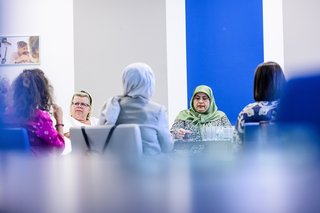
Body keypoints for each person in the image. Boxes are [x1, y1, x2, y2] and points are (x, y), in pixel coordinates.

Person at [99, 62, 173, 155]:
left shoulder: (110, 105)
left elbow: (99, 140)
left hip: (115, 166)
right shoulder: (158, 111)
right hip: (150, 167)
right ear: (149, 82)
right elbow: (167, 147)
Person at [5, 69, 65, 157]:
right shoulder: (40, 118)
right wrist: (59, 120)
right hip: (36, 167)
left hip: (8, 168)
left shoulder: (5, 115)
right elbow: (59, 148)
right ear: (42, 92)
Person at [235, 61, 286, 141]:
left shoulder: (246, 112)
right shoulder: (291, 109)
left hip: (252, 153)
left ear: (257, 84)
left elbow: (237, 145)